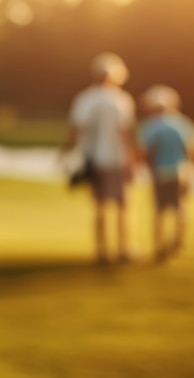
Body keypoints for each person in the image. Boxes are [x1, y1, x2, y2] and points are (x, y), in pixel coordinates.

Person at [60, 52, 138, 264]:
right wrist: (131, 160)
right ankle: (124, 249)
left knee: (99, 206)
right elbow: (125, 133)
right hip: (116, 159)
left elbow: (76, 129)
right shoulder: (121, 100)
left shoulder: (85, 98)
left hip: (92, 159)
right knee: (123, 205)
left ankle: (102, 252)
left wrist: (64, 152)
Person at [138, 84, 194, 261]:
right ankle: (178, 240)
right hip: (182, 172)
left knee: (160, 210)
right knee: (181, 206)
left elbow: (145, 153)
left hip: (160, 173)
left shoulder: (151, 126)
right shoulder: (182, 123)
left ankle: (159, 247)